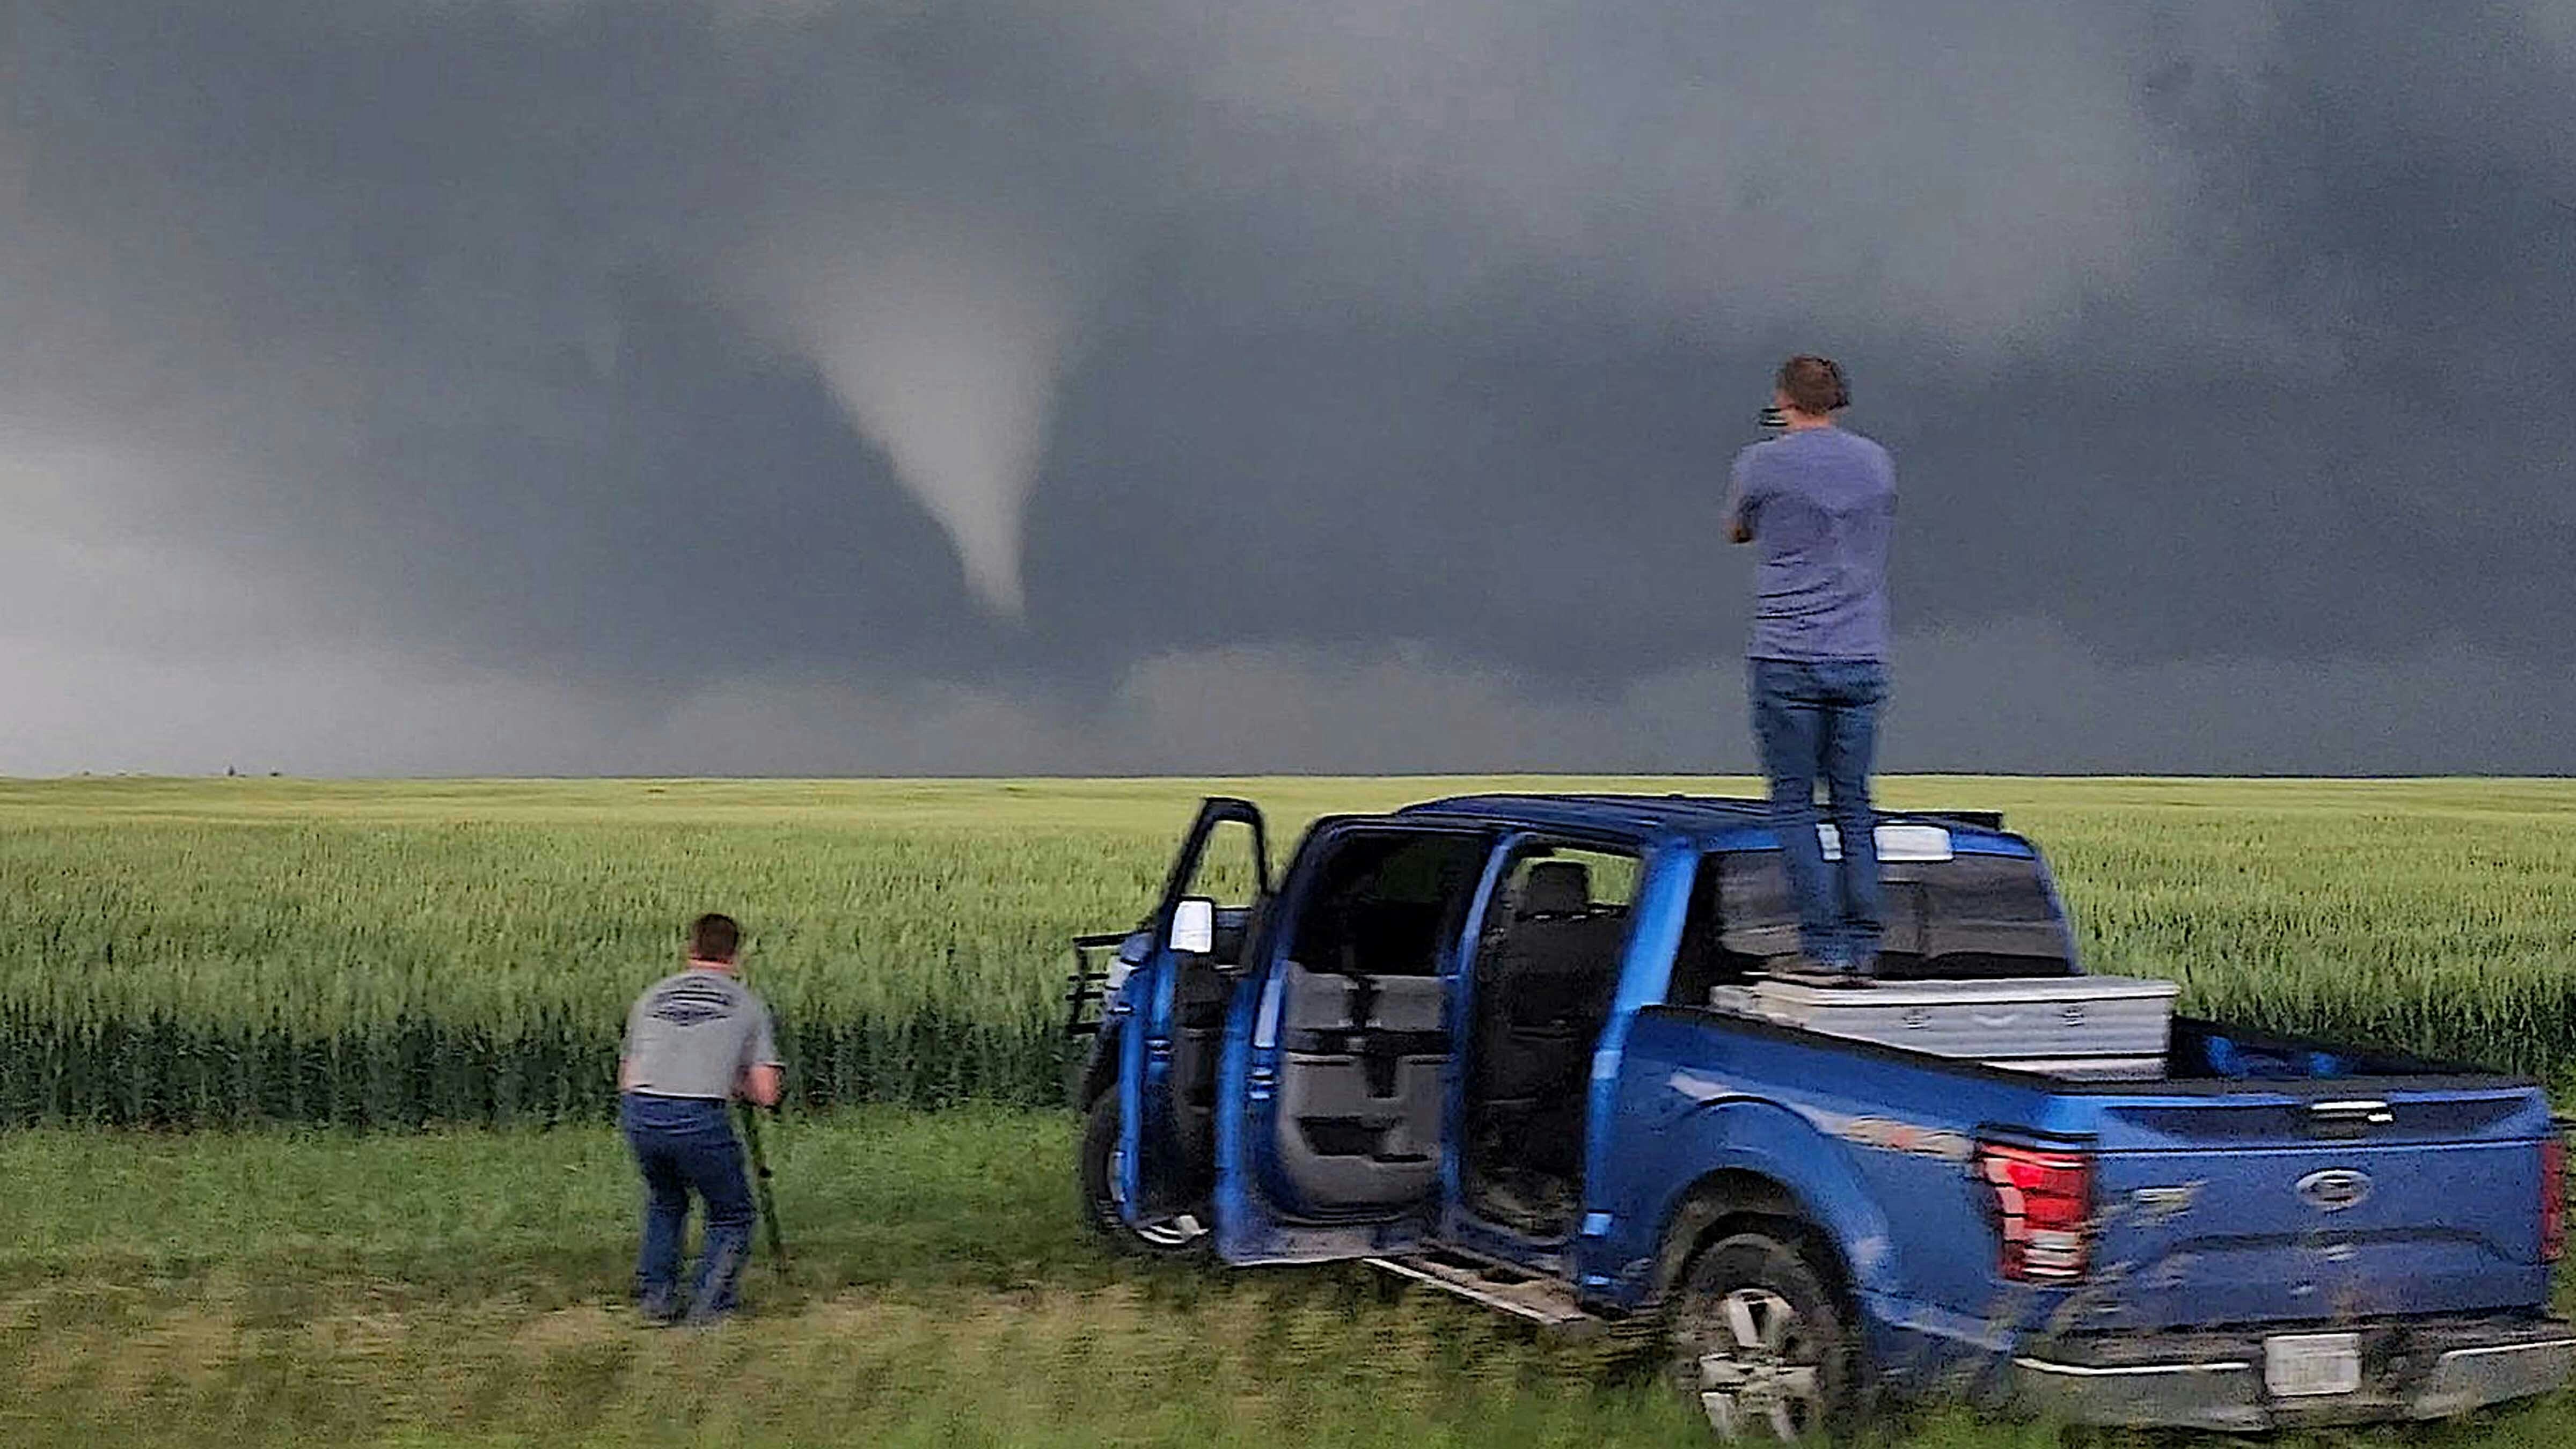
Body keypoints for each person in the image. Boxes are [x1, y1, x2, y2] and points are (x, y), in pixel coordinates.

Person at [1725, 355, 1896, 984]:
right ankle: (1866, 941)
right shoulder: (1877, 461)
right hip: (1861, 652)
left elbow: (1736, 530)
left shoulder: (1760, 463)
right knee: (1853, 801)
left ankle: (1823, 947)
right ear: (1840, 400)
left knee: (1795, 804)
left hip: (1788, 655)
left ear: (1782, 399)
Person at [618, 912, 784, 1323]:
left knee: (666, 1201)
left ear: (689, 949)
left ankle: (656, 1301)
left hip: (641, 1111)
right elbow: (766, 1094)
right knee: (732, 1213)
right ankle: (709, 1309)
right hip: (698, 1116)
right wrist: (735, 1082)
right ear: (737, 955)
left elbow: (628, 1077)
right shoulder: (746, 1003)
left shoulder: (652, 997)